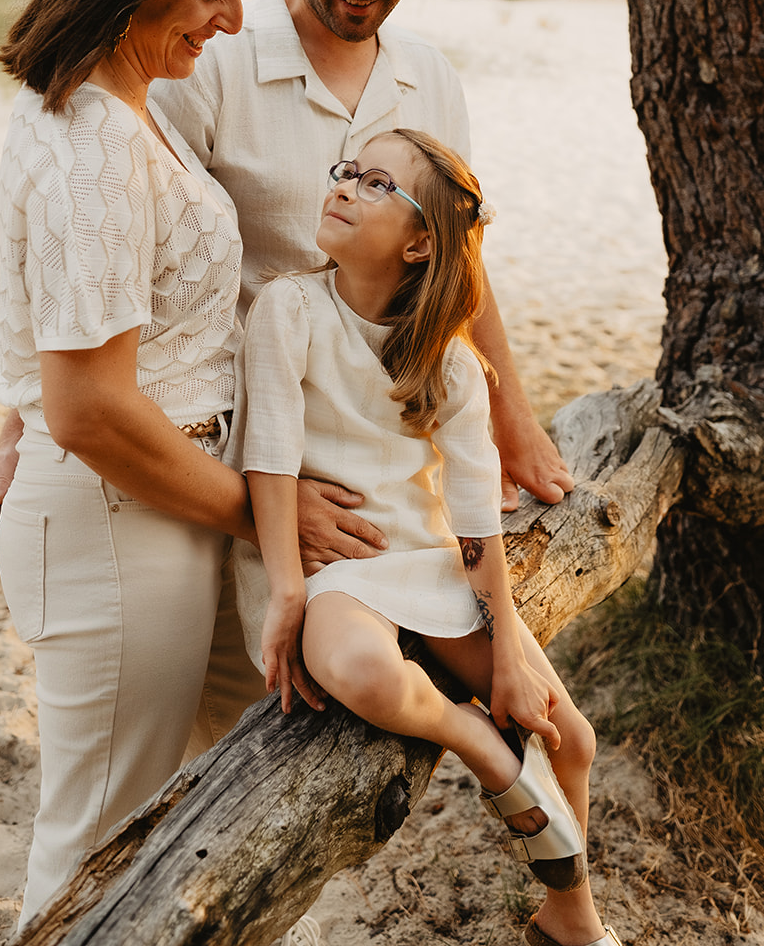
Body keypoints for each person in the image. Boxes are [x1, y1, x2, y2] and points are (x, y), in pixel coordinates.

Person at [0, 0, 574, 737]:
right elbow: (109, 259)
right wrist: (27, 422)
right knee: (193, 740)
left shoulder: (432, 82)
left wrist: (513, 417)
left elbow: (459, 263)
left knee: (294, 728)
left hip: (372, 469)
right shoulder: (204, 60)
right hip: (234, 462)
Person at [233, 130, 618, 946]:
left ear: (419, 243)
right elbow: (266, 459)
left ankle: (569, 917)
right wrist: (288, 591)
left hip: (432, 563)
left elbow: (476, 517)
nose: (343, 187)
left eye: (375, 184)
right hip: (344, 567)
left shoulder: (447, 361)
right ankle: (468, 734)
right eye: (346, 171)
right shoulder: (288, 309)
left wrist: (505, 648)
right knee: (367, 676)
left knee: (569, 736)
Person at [0, 0, 275, 928]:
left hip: (160, 504)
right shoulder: (95, 135)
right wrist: (255, 512)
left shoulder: (108, 100)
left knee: (180, 821)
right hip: (121, 516)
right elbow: (89, 405)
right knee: (91, 856)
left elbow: (59, 346)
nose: (231, 19)